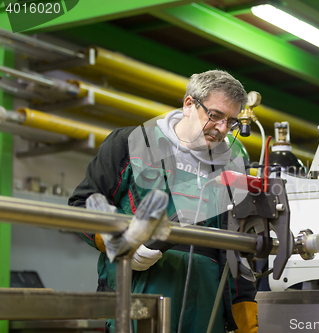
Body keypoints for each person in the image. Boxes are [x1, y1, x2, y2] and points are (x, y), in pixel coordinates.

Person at [69, 70, 258, 333]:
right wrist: (122, 244)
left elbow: (238, 246)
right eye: (215, 116)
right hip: (140, 287)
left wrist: (243, 309)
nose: (223, 129)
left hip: (208, 301)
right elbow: (82, 205)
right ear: (189, 104)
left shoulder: (233, 162)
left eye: (231, 122)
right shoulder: (131, 143)